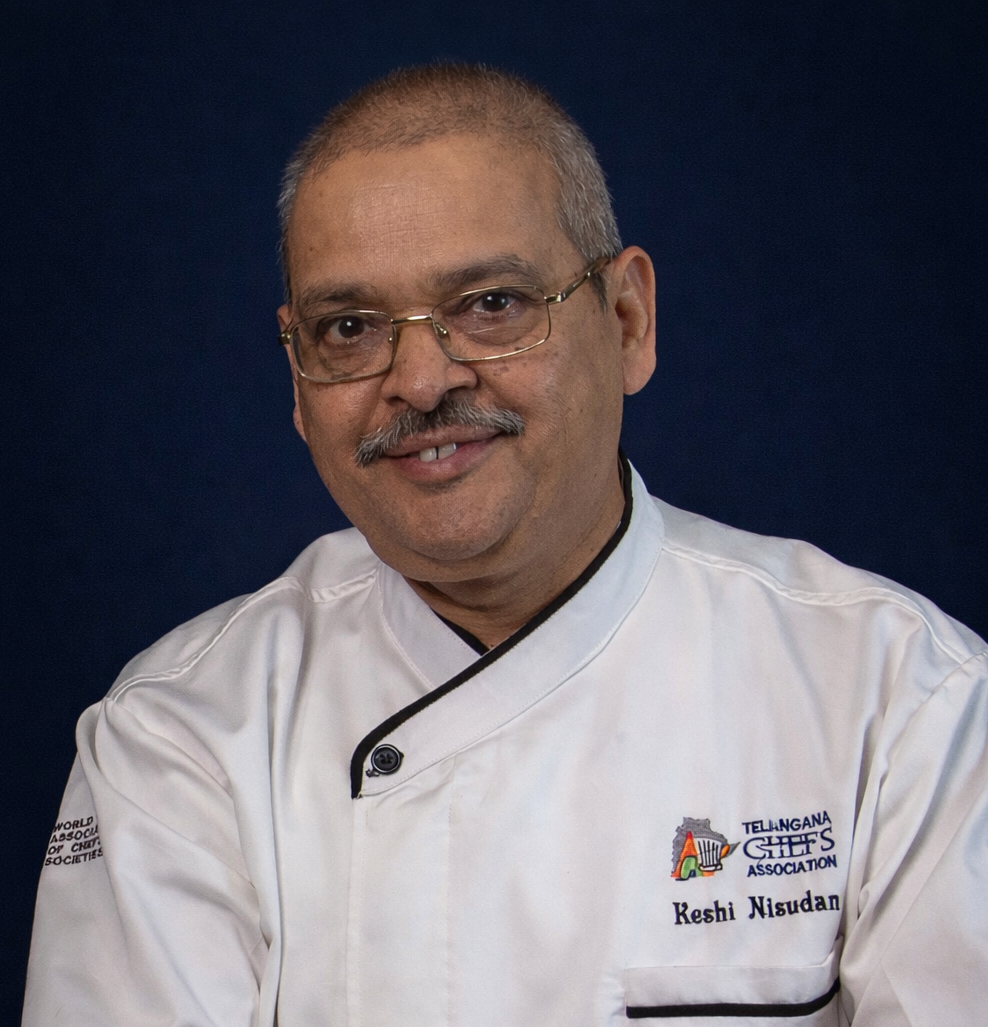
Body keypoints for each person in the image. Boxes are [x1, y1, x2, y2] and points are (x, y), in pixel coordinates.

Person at [22, 64, 987, 1027]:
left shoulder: (903, 705)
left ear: (627, 322)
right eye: (351, 327)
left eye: (491, 304)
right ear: (295, 372)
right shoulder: (177, 741)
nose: (420, 379)